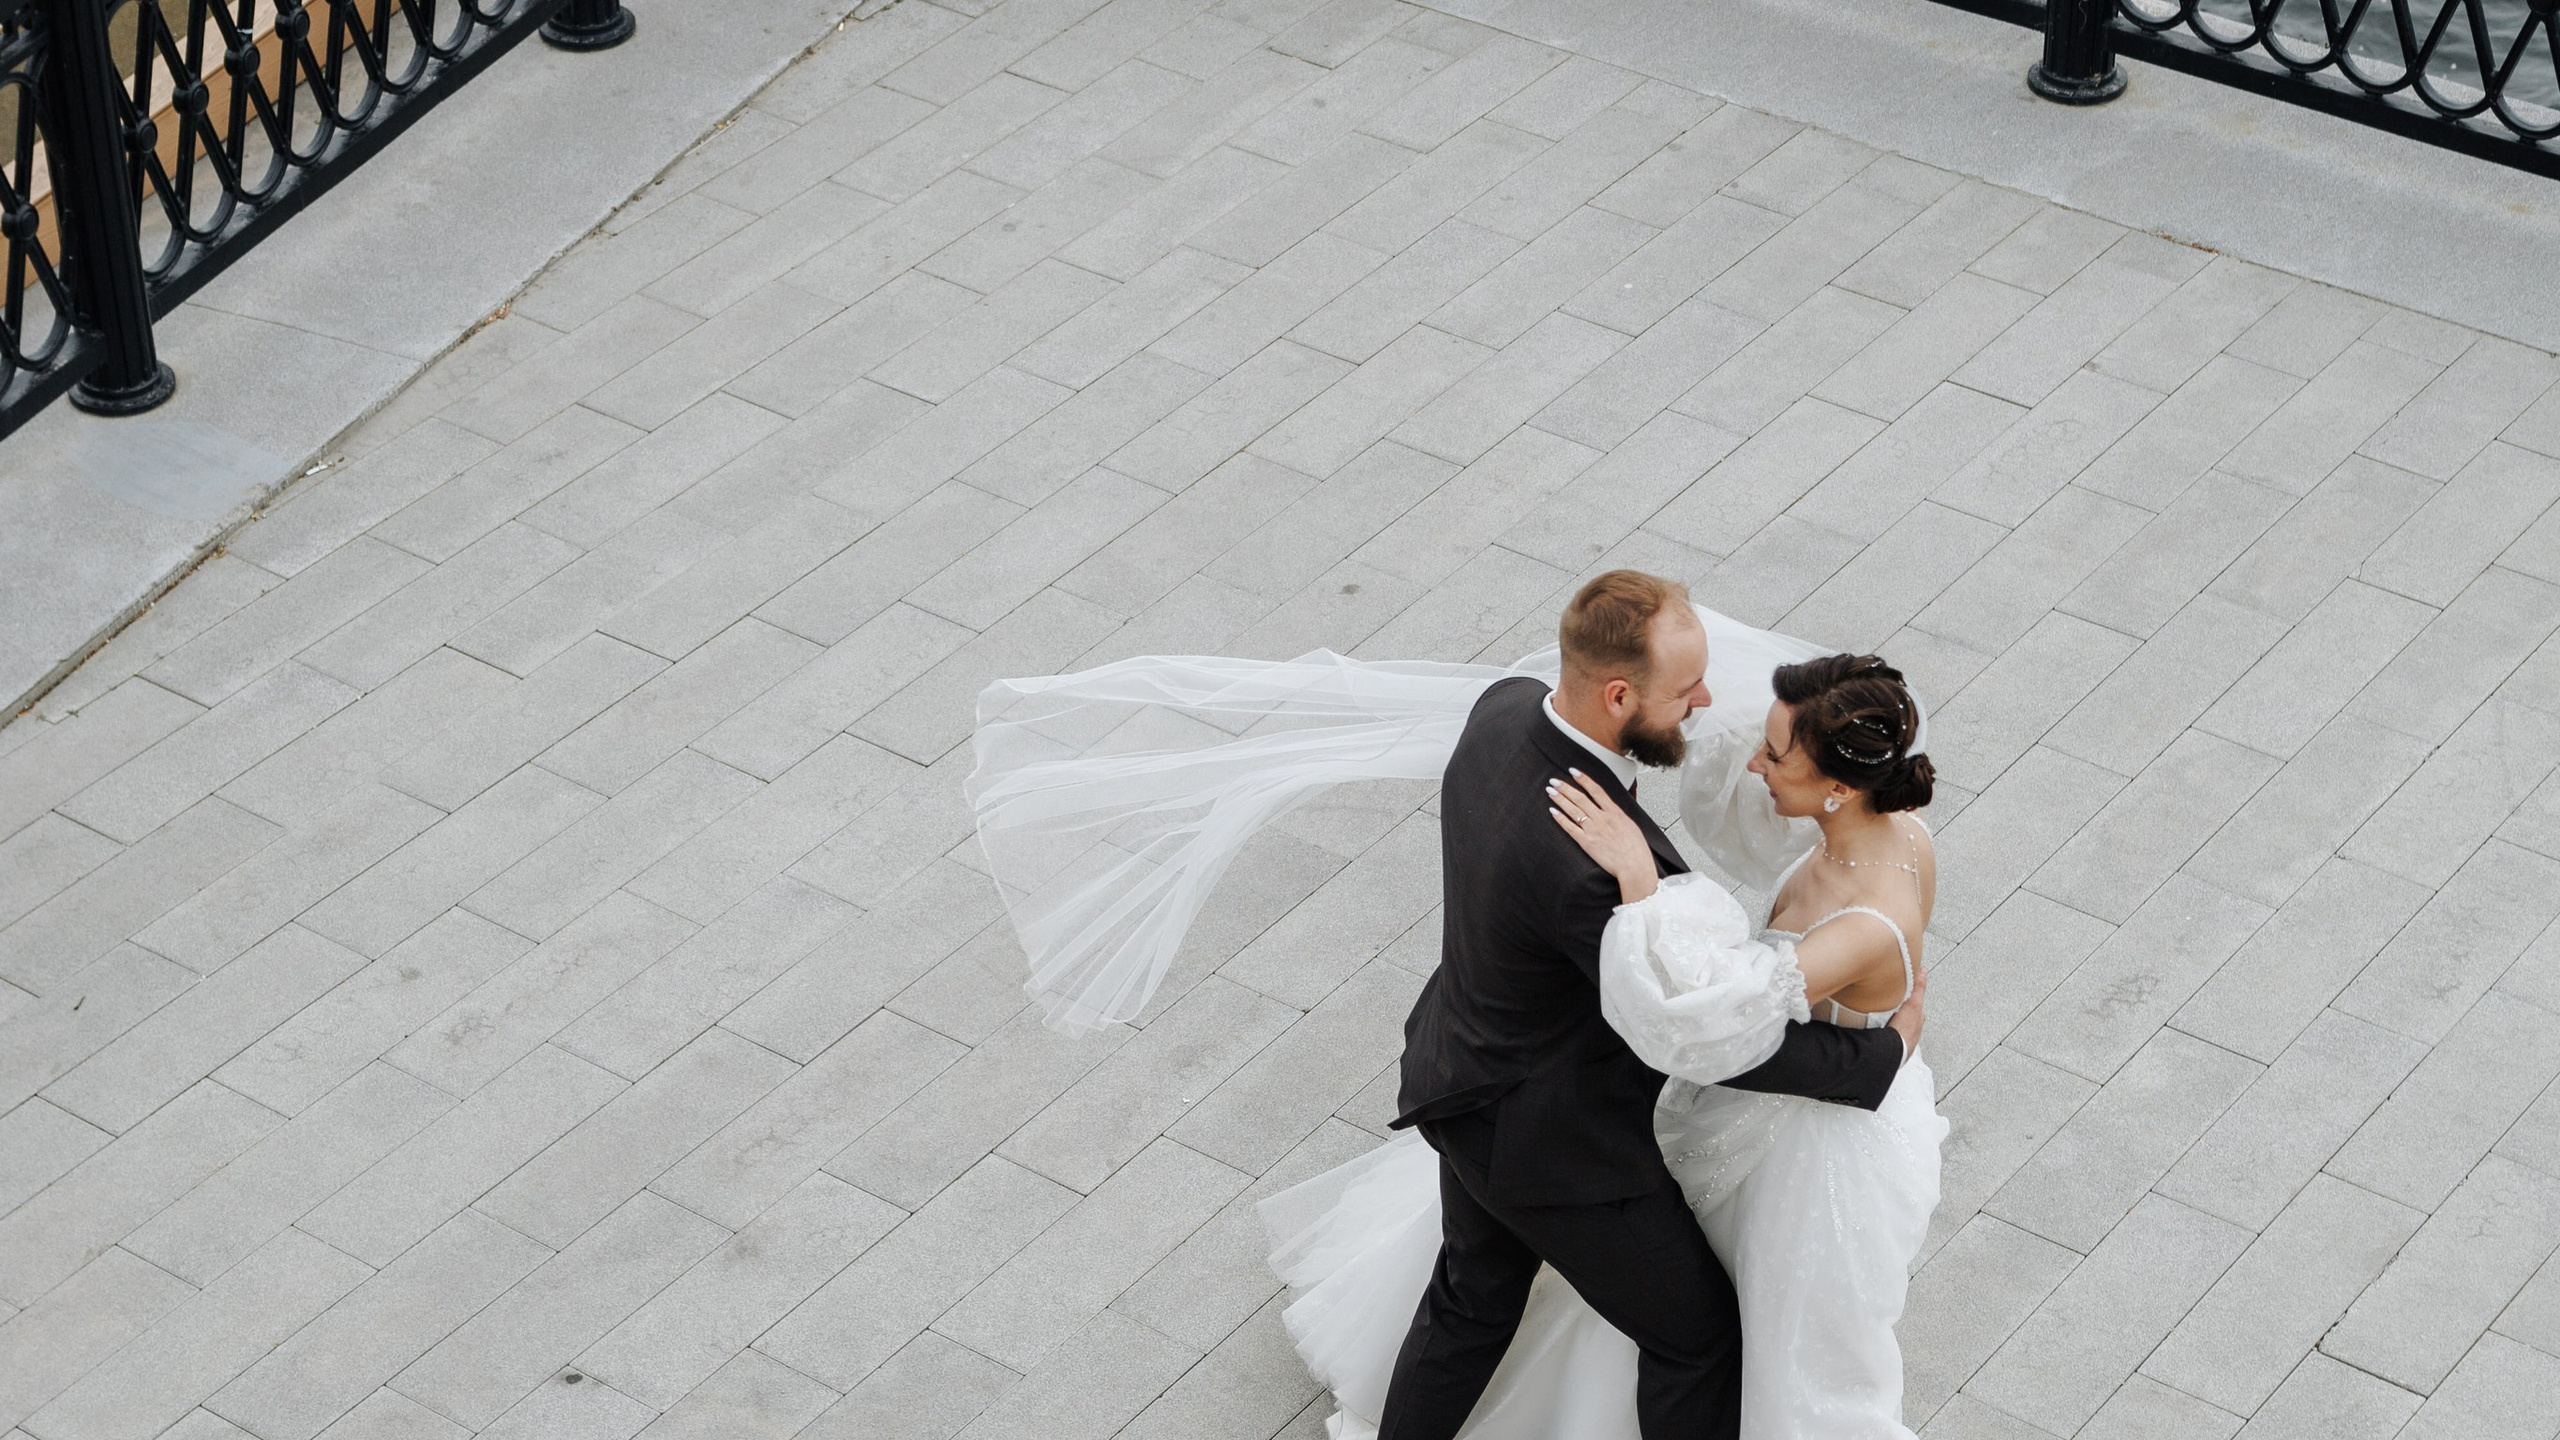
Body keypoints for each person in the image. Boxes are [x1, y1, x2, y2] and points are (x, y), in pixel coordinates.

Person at [963, 573, 1947, 1440]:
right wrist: (1868, 1065)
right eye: (1682, 690)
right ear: (1616, 695)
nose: (1702, 706)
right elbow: (1697, 1027)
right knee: (1693, 1339)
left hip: (1460, 1077)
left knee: (1474, 1298)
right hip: (1559, 1146)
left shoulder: (1506, 709)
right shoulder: (1587, 875)